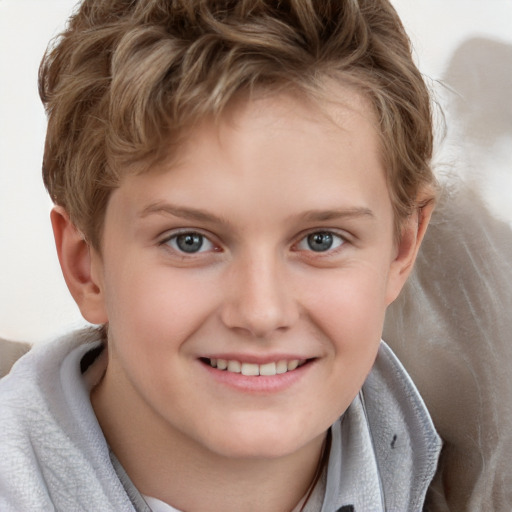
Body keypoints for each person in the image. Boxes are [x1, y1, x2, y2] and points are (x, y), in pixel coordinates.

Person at [0, 1, 441, 510]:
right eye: (190, 241)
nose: (260, 313)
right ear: (85, 267)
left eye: (321, 240)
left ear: (401, 250)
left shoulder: (476, 468)